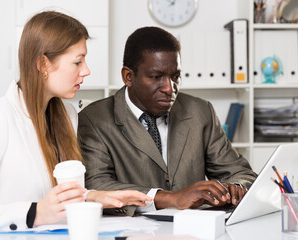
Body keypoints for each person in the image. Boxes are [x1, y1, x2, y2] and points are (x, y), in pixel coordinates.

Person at [0, 11, 151, 236]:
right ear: (42, 63)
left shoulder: (67, 115)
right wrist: (33, 213)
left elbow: (53, 198)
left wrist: (94, 197)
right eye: (77, 61)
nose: (86, 71)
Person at [78, 26, 258, 216]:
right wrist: (171, 198)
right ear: (128, 77)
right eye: (156, 77)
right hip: (132, 232)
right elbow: (96, 185)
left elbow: (242, 173)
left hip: (194, 231)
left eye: (175, 77)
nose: (169, 88)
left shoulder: (200, 111)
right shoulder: (93, 119)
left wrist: (236, 188)